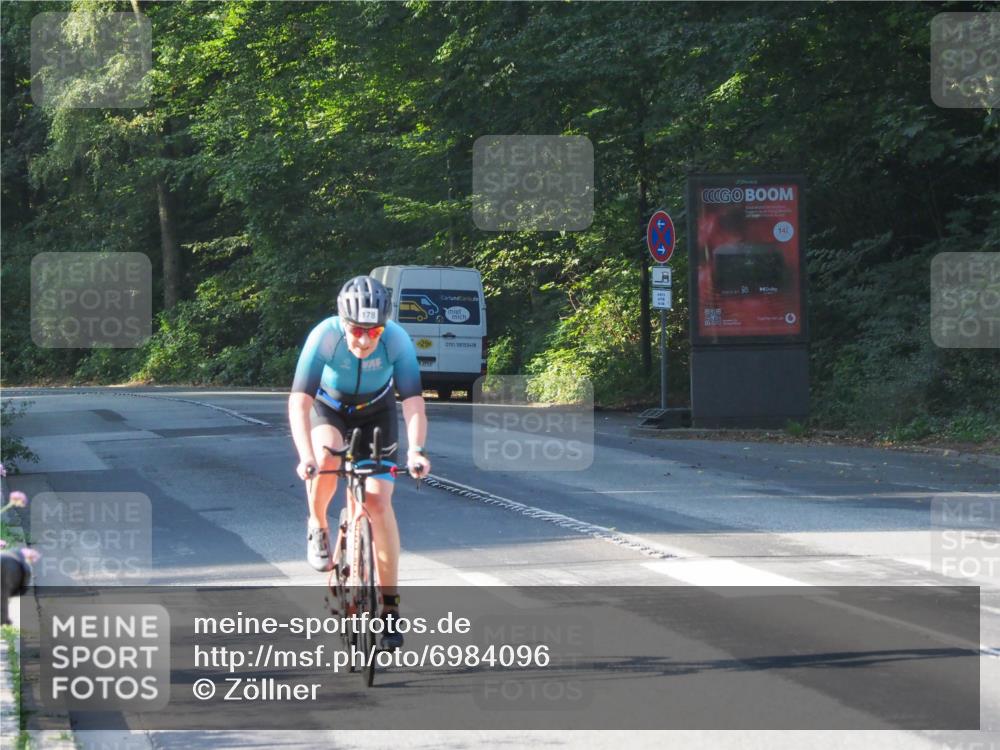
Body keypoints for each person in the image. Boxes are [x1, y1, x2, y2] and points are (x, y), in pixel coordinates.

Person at [288, 275, 430, 650]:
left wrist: (416, 450)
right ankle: (317, 524)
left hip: (376, 413)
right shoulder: (325, 337)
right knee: (326, 459)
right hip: (329, 408)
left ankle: (389, 609)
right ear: (342, 322)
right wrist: (304, 457)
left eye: (374, 331)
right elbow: (299, 403)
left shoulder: (397, 341)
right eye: (357, 330)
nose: (365, 340)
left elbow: (413, 402)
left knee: (378, 504)